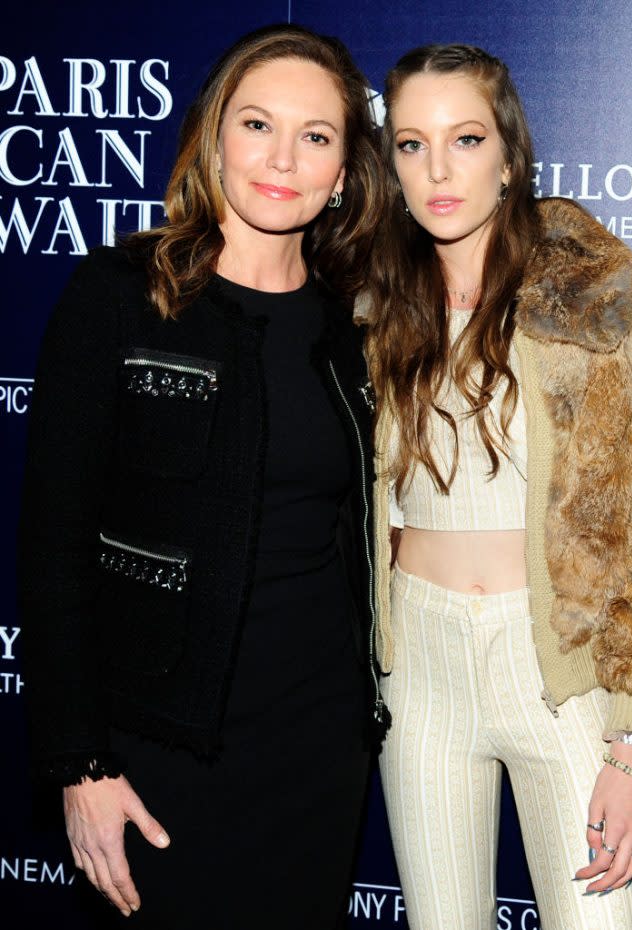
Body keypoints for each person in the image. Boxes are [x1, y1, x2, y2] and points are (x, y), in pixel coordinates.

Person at [18, 24, 389, 929]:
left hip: (316, 743)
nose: (282, 158)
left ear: (343, 172)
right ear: (215, 136)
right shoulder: (120, 292)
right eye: (258, 124)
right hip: (154, 747)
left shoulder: (357, 324)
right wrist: (81, 765)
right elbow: (51, 543)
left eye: (316, 137)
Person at [365, 44, 632, 930]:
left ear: (511, 154)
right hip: (421, 677)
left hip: (562, 682)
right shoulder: (365, 310)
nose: (438, 169)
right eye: (411, 144)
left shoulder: (625, 306)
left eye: (466, 138)